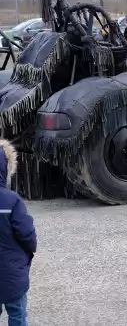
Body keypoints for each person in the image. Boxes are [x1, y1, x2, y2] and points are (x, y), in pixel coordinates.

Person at [0, 139, 38, 324]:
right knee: (17, 314)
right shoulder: (12, 200)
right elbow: (27, 234)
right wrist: (30, 250)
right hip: (12, 273)